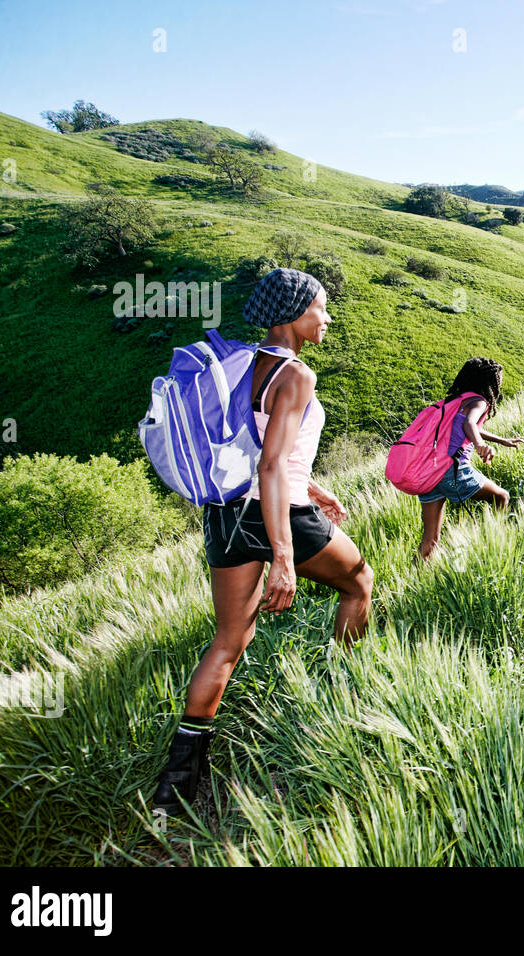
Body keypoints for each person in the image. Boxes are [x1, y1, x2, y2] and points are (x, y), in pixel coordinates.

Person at [153, 267, 374, 816]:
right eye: (322, 307)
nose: (327, 318)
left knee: (228, 642)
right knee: (359, 583)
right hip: (275, 515)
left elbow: (258, 447)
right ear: (297, 313)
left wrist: (315, 488)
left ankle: (173, 792)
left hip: (224, 515)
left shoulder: (244, 364)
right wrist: (282, 556)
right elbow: (272, 467)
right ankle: (341, 696)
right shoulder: (296, 375)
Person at [417, 357, 524, 560]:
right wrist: (481, 446)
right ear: (490, 382)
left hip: (430, 472)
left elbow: (468, 425)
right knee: (502, 497)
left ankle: (412, 579)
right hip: (452, 470)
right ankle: (497, 545)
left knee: (430, 539)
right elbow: (469, 424)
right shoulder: (479, 401)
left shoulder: (456, 400)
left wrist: (501, 440)